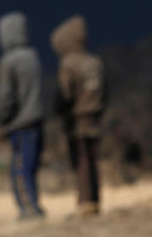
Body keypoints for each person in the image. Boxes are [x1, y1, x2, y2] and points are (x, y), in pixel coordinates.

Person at [50, 14, 106, 217]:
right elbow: (105, 91)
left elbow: (65, 93)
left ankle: (85, 202)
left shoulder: (69, 63)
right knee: (92, 159)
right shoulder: (95, 62)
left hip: (77, 119)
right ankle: (95, 200)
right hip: (95, 117)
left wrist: (59, 110)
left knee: (80, 159)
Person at [0, 11, 45, 220]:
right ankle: (35, 205)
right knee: (31, 167)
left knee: (20, 169)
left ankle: (29, 210)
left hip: (20, 124)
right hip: (37, 121)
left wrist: (4, 117)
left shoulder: (8, 61)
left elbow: (6, 97)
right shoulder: (33, 56)